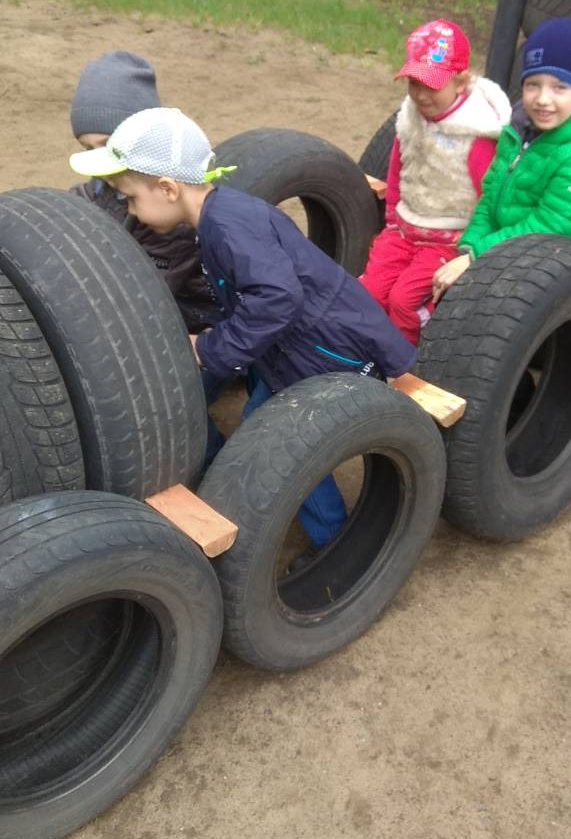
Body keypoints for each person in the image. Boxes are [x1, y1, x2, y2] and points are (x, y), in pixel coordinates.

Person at [69, 106, 416, 559]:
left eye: (131, 199)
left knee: (279, 438)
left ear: (168, 189)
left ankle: (338, 545)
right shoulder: (219, 214)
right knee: (261, 418)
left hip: (330, 352)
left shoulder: (228, 226)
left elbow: (277, 299)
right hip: (302, 344)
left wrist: (213, 347)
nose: (130, 211)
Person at [432, 18, 571, 301]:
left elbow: (551, 226)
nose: (542, 99)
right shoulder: (516, 131)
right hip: (506, 251)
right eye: (533, 84)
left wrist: (477, 256)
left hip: (557, 264)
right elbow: (489, 197)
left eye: (559, 87)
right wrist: (469, 247)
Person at [360, 19, 511, 343]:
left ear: (460, 82)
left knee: (403, 302)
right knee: (368, 293)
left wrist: (470, 250)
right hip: (405, 229)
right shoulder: (411, 118)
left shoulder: (477, 135)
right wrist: (391, 220)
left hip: (449, 238)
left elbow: (490, 197)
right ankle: (368, 357)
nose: (420, 95)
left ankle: (406, 368)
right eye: (414, 84)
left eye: (431, 86)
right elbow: (398, 169)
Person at [69, 50, 217, 330]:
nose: (98, 162)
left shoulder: (171, 211)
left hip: (189, 316)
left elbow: (141, 301)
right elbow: (84, 200)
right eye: (87, 148)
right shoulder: (105, 186)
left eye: (108, 145)